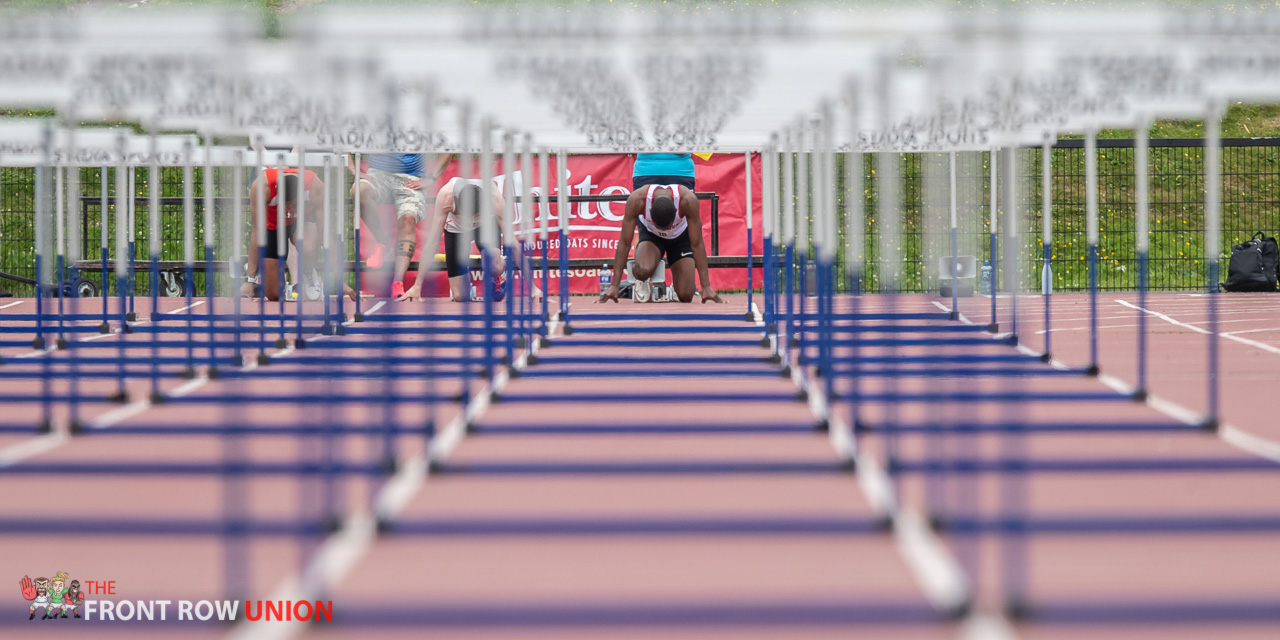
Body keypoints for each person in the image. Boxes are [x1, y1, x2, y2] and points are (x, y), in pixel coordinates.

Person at [239, 168, 354, 302]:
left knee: (309, 246)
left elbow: (325, 234)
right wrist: (249, 280)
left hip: (301, 221)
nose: (290, 208)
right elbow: (256, 233)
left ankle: (307, 269)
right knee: (273, 294)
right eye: (286, 204)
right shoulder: (261, 188)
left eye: (294, 204)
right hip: (273, 226)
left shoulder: (315, 187)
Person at [598, 182, 722, 304]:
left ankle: (675, 286)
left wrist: (706, 287)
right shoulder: (637, 200)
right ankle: (643, 280)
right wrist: (614, 285)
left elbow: (697, 244)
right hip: (652, 236)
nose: (665, 231)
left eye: (667, 227)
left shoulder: (688, 201)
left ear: (676, 210)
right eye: (661, 228)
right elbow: (624, 243)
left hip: (680, 237)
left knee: (686, 295)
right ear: (650, 211)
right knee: (642, 270)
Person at [349, 153, 452, 298]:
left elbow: (449, 147)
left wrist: (430, 178)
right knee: (358, 191)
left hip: (411, 178)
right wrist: (354, 169)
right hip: (378, 175)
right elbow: (338, 136)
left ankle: (397, 282)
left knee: (408, 219)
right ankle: (383, 243)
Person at [398, 177, 510, 302]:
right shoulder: (446, 196)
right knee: (460, 297)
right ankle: (466, 285)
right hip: (456, 229)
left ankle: (499, 273)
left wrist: (533, 288)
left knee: (493, 267)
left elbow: (513, 242)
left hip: (484, 224)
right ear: (456, 200)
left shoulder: (493, 196)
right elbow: (432, 243)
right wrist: (417, 285)